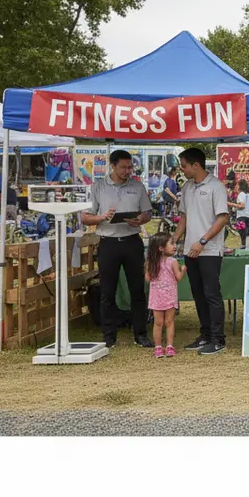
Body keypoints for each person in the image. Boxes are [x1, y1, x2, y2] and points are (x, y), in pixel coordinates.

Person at [81, 149, 154, 349]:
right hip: (109, 243)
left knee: (137, 289)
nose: (127, 171)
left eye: (130, 167)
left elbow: (147, 212)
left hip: (132, 240)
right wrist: (102, 217)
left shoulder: (137, 186)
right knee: (107, 291)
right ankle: (108, 336)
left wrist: (141, 219)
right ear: (112, 166)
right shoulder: (98, 187)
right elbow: (85, 217)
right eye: (123, 167)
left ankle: (140, 334)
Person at [173, 147, 229, 355]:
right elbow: (184, 217)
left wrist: (203, 241)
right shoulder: (187, 187)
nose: (182, 170)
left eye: (184, 166)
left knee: (212, 294)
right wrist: (174, 239)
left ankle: (218, 339)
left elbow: (223, 217)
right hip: (190, 251)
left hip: (210, 251)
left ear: (196, 165)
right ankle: (205, 334)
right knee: (198, 295)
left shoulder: (216, 186)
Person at [145, 231, 186, 359]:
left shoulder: (150, 263)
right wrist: (183, 270)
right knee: (169, 322)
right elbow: (178, 277)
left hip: (156, 297)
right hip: (169, 297)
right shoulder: (173, 262)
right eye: (171, 243)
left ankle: (158, 347)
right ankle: (169, 346)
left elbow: (148, 278)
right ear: (161, 248)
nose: (174, 246)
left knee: (158, 323)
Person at [229, 178, 249, 249]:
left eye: (237, 185)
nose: (236, 186)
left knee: (241, 232)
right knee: (248, 234)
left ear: (240, 186)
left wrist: (230, 204)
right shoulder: (247, 194)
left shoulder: (241, 194)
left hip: (241, 216)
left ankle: (243, 246)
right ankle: (248, 248)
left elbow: (242, 206)